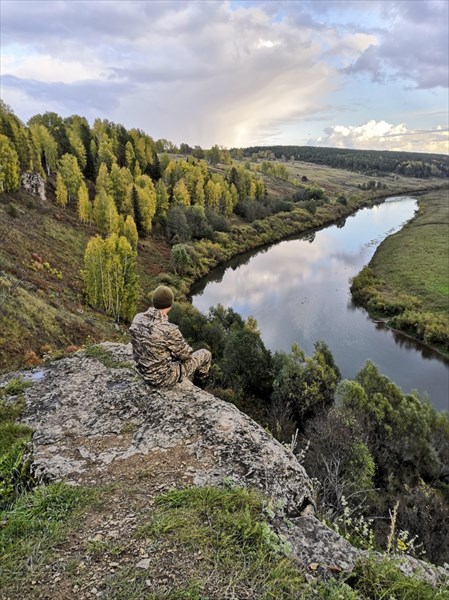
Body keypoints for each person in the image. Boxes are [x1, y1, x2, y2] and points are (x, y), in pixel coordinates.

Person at [129, 285, 211, 388]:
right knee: (205, 354)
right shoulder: (169, 330)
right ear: (170, 304)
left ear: (154, 301)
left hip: (141, 371)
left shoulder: (137, 318)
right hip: (161, 379)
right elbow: (186, 355)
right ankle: (200, 388)